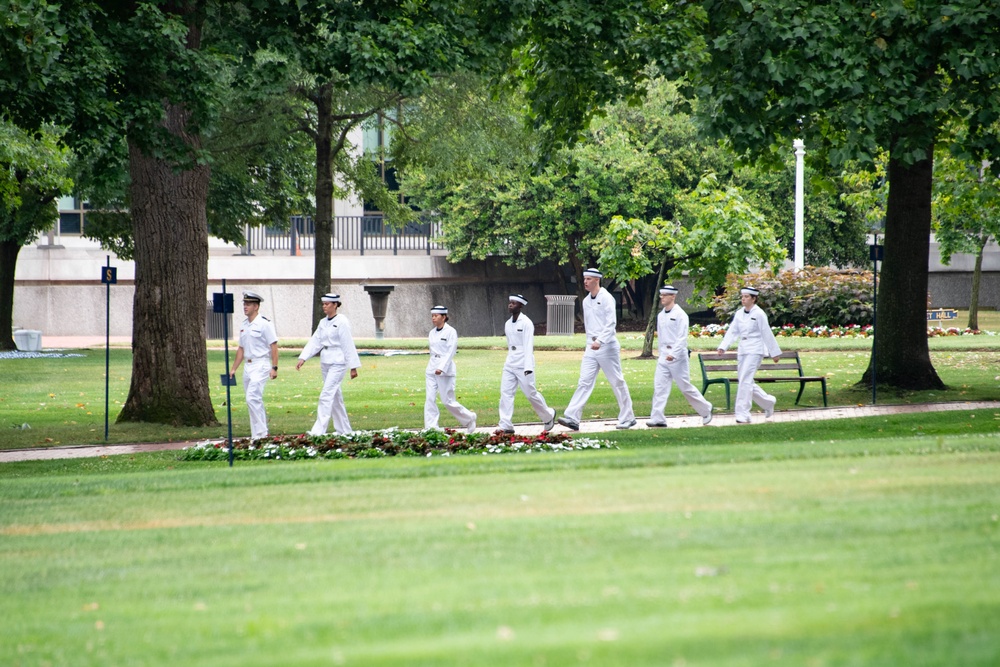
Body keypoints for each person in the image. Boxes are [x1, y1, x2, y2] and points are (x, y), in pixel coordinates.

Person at [557, 268, 636, 430]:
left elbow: (611, 323)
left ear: (597, 280)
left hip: (607, 347)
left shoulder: (606, 298)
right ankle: (572, 417)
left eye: (589, 279)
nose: (585, 282)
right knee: (584, 381)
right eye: (585, 279)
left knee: (617, 381)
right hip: (591, 347)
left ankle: (628, 417)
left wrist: (600, 340)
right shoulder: (586, 301)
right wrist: (591, 342)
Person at [646, 284, 714, 427]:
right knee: (660, 387)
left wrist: (674, 353)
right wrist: (662, 354)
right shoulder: (660, 315)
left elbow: (682, 338)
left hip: (677, 356)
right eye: (661, 295)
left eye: (665, 295)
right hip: (664, 355)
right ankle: (657, 417)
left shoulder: (680, 315)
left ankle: (706, 409)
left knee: (685, 387)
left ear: (673, 296)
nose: (662, 298)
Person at [295, 292, 361, 436]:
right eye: (323, 304)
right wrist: (303, 357)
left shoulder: (342, 322)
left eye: (327, 304)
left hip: (338, 361)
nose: (324, 306)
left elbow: (348, 344)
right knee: (335, 397)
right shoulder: (323, 322)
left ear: (335, 305)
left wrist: (353, 367)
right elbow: (315, 341)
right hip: (326, 360)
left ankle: (318, 430)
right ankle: (345, 430)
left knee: (326, 395)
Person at [716, 286, 782, 423]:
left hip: (756, 349)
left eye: (746, 297)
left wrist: (774, 353)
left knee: (745, 380)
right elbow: (733, 331)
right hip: (743, 349)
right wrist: (723, 346)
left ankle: (743, 413)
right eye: (742, 297)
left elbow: (766, 333)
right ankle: (768, 402)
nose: (743, 299)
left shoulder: (759, 314)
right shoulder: (739, 313)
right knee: (745, 381)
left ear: (754, 299)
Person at [498, 294, 557, 434]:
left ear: (521, 306)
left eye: (514, 303)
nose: (510, 305)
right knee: (505, 393)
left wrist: (528, 367)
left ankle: (548, 415)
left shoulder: (526, 323)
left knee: (530, 394)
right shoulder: (507, 323)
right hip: (510, 363)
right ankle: (505, 424)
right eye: (510, 302)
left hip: (524, 364)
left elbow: (528, 346)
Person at [230, 291, 279, 440]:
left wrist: (274, 367)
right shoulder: (244, 325)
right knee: (252, 399)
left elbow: (274, 346)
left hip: (261, 364)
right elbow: (241, 348)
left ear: (256, 306)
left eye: (248, 304)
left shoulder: (264, 323)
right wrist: (233, 369)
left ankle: (262, 433)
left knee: (252, 397)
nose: (245, 307)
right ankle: (256, 434)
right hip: (248, 365)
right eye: (244, 304)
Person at [425, 305, 477, 433]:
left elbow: (450, 351)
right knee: (430, 398)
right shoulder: (432, 333)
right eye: (432, 316)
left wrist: (441, 368)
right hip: (431, 367)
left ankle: (469, 418)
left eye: (436, 316)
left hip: (445, 370)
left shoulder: (451, 332)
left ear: (444, 317)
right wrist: (433, 367)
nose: (433, 318)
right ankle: (431, 427)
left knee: (447, 401)